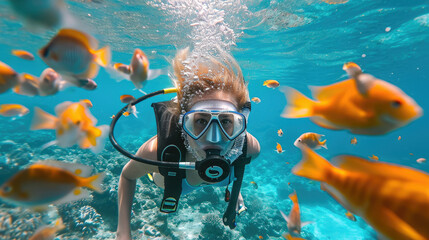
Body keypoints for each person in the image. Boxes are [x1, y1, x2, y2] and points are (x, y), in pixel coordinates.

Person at [115, 48, 260, 240]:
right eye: (200, 121)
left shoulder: (247, 148)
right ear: (184, 123)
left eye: (226, 121)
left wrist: (236, 191)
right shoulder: (158, 153)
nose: (215, 138)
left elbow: (239, 159)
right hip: (170, 177)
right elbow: (127, 175)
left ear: (240, 123)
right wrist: (123, 232)